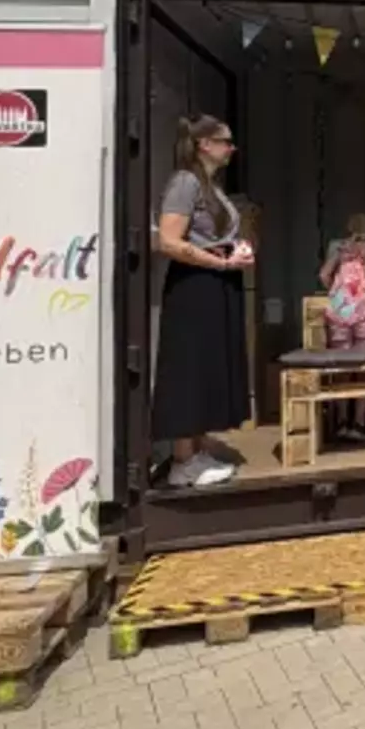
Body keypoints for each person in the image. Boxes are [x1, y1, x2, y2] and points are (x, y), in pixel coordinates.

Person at [153, 115, 250, 488]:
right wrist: (221, 261)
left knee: (208, 365)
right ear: (204, 144)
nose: (231, 148)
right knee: (190, 367)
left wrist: (234, 252)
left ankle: (195, 450)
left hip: (216, 281)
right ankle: (183, 459)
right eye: (225, 141)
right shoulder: (185, 182)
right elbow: (169, 240)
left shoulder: (208, 184)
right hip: (195, 284)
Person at [319, 212, 365, 441]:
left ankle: (342, 422)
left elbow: (324, 275)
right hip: (364, 309)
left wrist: (337, 295)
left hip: (340, 308)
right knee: (363, 369)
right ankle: (359, 424)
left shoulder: (339, 247)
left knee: (342, 368)